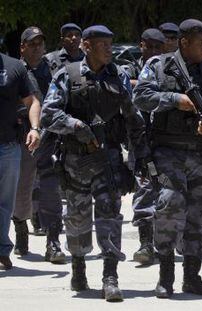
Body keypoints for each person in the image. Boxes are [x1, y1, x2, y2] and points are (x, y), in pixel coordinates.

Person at [41, 25, 148, 301]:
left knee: (110, 215)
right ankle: (78, 265)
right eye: (103, 44)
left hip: (108, 158)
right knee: (77, 219)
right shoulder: (67, 76)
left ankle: (110, 276)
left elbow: (133, 118)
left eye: (111, 44)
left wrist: (141, 157)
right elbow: (48, 114)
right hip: (76, 160)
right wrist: (76, 125)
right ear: (87, 46)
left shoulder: (119, 76)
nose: (109, 49)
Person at [134, 18, 202, 298]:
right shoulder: (159, 65)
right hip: (168, 150)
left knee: (199, 214)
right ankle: (166, 274)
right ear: (184, 42)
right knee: (169, 204)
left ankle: (192, 276)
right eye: (200, 42)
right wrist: (174, 99)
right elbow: (140, 96)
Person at [18, 26, 67, 263]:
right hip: (21, 140)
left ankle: (53, 242)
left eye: (40, 43)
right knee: (21, 191)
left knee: (50, 189)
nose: (37, 47)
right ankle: (20, 230)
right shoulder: (15, 71)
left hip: (50, 140)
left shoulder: (56, 70)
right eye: (32, 43)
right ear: (23, 47)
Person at [127, 28, 165, 266]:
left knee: (168, 192)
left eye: (157, 47)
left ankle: (166, 241)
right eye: (148, 46)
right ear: (141, 45)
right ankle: (145, 243)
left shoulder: (167, 68)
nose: (152, 51)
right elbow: (124, 84)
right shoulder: (130, 66)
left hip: (164, 139)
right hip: (139, 139)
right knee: (143, 190)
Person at [0, 48, 40, 270]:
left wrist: (34, 128)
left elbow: (32, 101)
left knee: (5, 203)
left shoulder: (14, 67)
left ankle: (2, 249)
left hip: (8, 145)